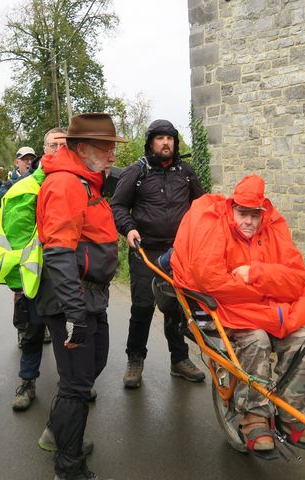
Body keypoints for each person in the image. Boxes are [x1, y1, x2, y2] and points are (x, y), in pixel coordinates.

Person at [170, 174, 305, 453]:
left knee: (303, 337)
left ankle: (293, 416)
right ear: (232, 208)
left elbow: (296, 279)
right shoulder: (215, 228)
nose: (248, 222)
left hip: (272, 311)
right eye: (243, 213)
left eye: (254, 215)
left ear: (263, 213)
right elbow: (211, 281)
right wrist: (271, 291)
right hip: (234, 313)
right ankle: (254, 419)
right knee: (256, 341)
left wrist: (257, 274)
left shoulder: (274, 228)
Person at [35, 113, 124, 480]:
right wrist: (74, 314)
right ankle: (69, 466)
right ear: (83, 148)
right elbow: (57, 252)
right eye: (107, 148)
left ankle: (59, 433)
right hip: (72, 300)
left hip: (90, 297)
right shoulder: (67, 185)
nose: (113, 156)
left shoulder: (88, 181)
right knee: (76, 385)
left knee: (92, 366)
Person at [111, 119, 206, 389]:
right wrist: (128, 229)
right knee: (142, 306)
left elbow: (202, 206)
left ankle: (179, 360)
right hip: (145, 250)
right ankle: (135, 359)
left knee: (177, 307)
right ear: (151, 142)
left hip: (179, 251)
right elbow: (117, 206)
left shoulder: (185, 172)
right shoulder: (136, 172)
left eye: (170, 138)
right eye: (160, 138)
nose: (165, 142)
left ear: (175, 143)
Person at [0, 146, 36, 224]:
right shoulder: (7, 186)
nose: (29, 162)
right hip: (16, 233)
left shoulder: (40, 181)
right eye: (25, 159)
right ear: (16, 162)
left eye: (32, 159)